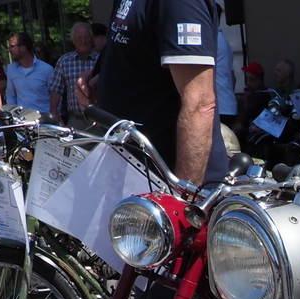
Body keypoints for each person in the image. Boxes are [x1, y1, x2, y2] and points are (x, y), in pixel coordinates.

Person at [97, 0, 226, 184]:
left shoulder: (180, 4)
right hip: (130, 171)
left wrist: (181, 200)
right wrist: (100, 79)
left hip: (163, 181)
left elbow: (199, 103)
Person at [50, 21, 97, 124]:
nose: (83, 41)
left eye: (86, 37)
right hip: (76, 120)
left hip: (98, 120)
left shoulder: (101, 60)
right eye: (79, 37)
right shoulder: (64, 62)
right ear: (73, 40)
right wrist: (54, 111)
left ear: (92, 39)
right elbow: (56, 90)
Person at [4, 30, 55, 116]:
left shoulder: (46, 69)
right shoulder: (11, 69)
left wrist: (53, 115)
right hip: (22, 121)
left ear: (23, 48)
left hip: (43, 119)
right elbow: (10, 95)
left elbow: (55, 95)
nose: (9, 50)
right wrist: (13, 115)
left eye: (12, 47)